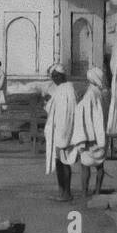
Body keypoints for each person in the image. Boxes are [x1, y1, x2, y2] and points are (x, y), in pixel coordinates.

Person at [71, 67, 109, 200]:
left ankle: (84, 193)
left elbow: (87, 118)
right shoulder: (102, 93)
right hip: (101, 136)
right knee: (100, 165)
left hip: (90, 136)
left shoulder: (90, 95)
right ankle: (97, 191)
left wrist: (87, 137)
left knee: (85, 166)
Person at [43, 64, 78, 202]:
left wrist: (63, 138)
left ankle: (66, 193)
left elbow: (66, 115)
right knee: (60, 162)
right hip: (59, 132)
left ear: (60, 76)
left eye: (55, 77)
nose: (54, 80)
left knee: (65, 162)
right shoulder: (62, 89)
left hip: (63, 133)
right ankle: (61, 191)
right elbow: (53, 108)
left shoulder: (66, 90)